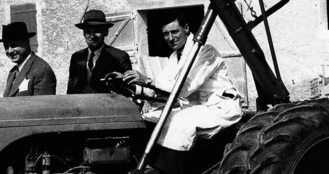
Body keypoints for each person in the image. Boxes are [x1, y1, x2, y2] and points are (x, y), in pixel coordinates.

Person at [120, 11, 243, 163]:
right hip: (196, 106)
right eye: (166, 34)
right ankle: (146, 163)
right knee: (148, 118)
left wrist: (147, 80)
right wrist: (134, 85)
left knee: (180, 120)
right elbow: (161, 85)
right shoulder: (174, 57)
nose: (170, 38)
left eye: (174, 32)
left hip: (219, 107)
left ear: (186, 28)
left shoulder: (205, 52)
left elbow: (183, 87)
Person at [66, 9, 132, 94]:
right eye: (88, 32)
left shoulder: (119, 57)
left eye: (97, 31)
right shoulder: (76, 57)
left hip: (109, 106)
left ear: (106, 32)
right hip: (80, 106)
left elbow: (127, 90)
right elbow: (71, 90)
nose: (92, 36)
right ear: (83, 34)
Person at [0, 21, 56, 97]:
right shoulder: (13, 72)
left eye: (14, 45)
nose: (10, 51)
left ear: (27, 43)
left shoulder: (41, 70)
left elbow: (42, 107)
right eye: (6, 47)